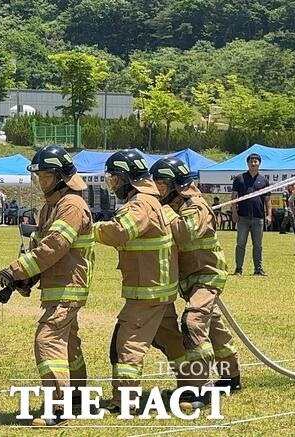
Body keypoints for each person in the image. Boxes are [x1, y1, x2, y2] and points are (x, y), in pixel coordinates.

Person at [0, 145, 94, 426]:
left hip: (68, 286)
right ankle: (75, 398)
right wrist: (24, 279)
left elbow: (54, 247)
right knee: (68, 343)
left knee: (47, 340)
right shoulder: (52, 206)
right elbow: (38, 247)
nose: (41, 181)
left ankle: (59, 408)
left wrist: (15, 270)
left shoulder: (71, 206)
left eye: (46, 175)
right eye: (39, 175)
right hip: (57, 285)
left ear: (61, 176)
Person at [93, 150, 187, 415]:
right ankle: (195, 385)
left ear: (127, 178)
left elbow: (121, 230)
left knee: (127, 345)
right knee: (172, 341)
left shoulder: (140, 204)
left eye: (114, 180)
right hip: (159, 289)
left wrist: (92, 229)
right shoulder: (150, 200)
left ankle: (125, 402)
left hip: (147, 292)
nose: (113, 186)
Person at [150, 157, 241, 410]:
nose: (157, 192)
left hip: (207, 277)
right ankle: (231, 376)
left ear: (176, 185)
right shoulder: (177, 206)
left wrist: (162, 210)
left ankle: (202, 388)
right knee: (214, 328)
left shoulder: (196, 207)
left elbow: (184, 232)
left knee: (193, 322)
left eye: (161, 186)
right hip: (190, 279)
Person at [231, 153, 271, 276]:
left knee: (258, 245)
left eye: (256, 161)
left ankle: (258, 269)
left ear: (259, 163)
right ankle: (238, 269)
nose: (253, 163)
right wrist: (234, 212)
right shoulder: (239, 178)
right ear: (247, 163)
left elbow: (268, 200)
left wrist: (269, 215)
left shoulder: (264, 180)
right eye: (251, 161)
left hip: (258, 218)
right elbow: (233, 197)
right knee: (240, 244)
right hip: (243, 217)